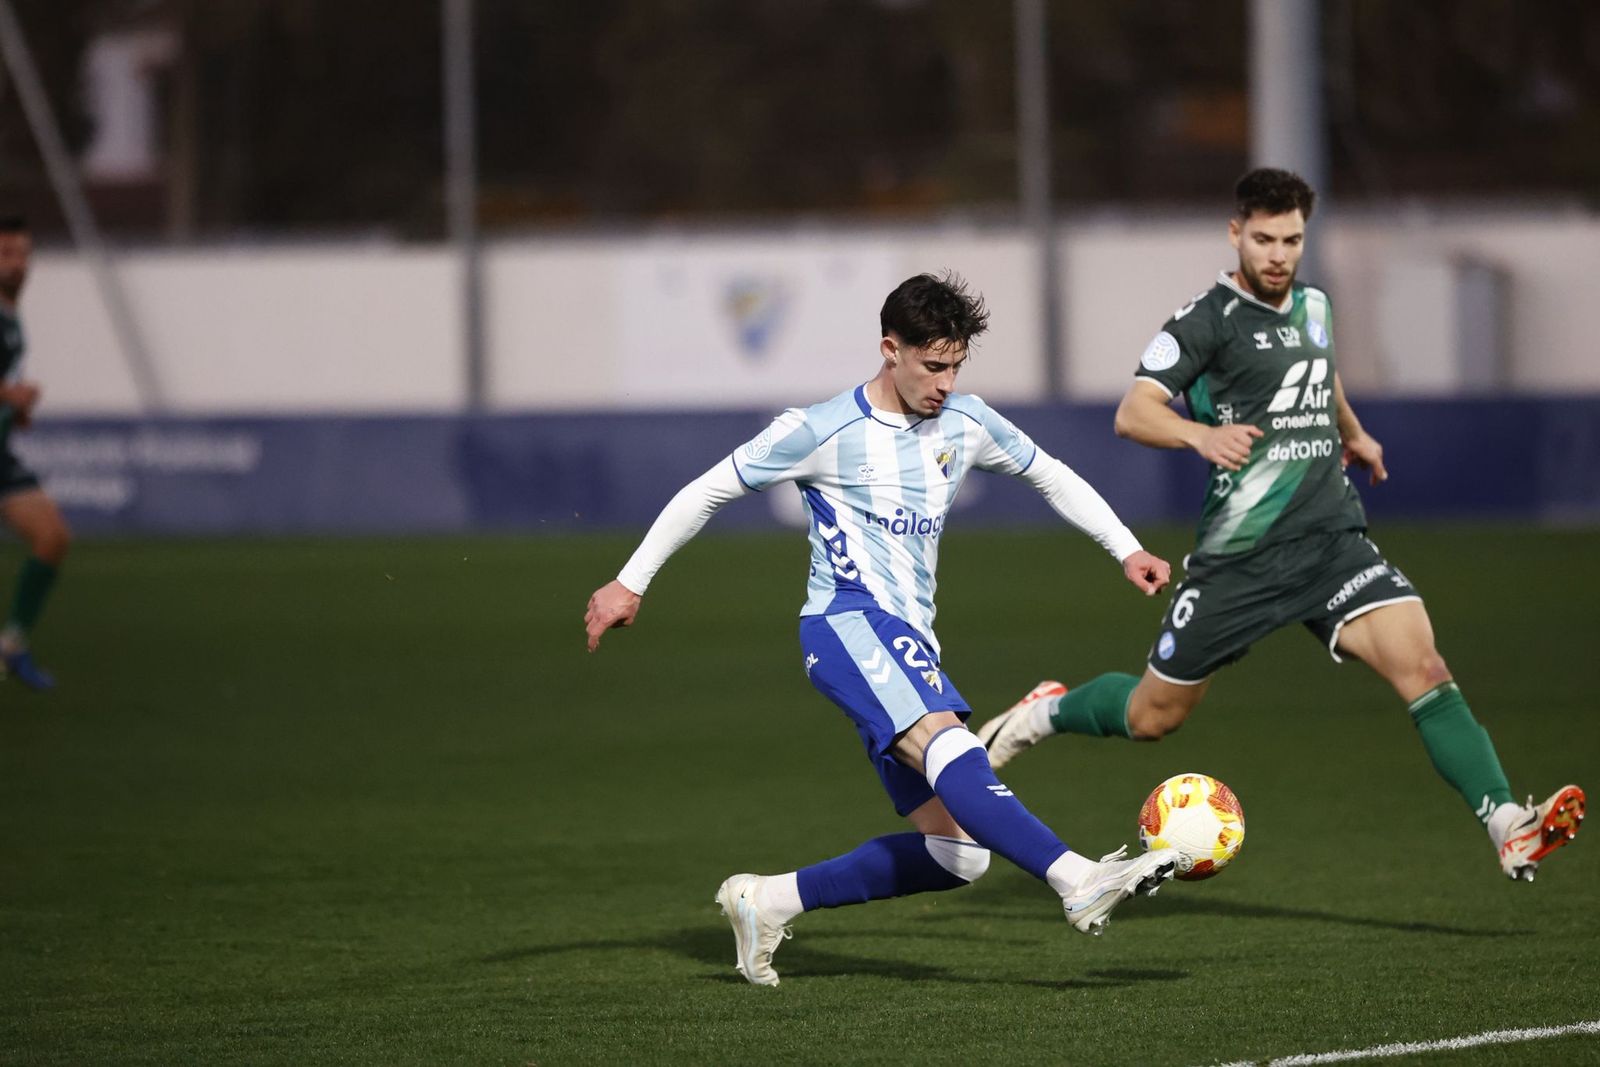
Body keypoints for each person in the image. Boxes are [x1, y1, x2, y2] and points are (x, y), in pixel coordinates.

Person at [976, 169, 1584, 882]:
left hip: (1332, 542)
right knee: (1152, 716)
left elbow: (1322, 378)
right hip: (1241, 559)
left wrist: (1353, 433)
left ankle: (1507, 822)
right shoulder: (1206, 319)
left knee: (1425, 667)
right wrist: (1200, 438)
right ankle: (1040, 714)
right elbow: (1132, 411)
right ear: (1236, 233)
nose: (1277, 254)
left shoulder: (1317, 305)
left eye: (1291, 239)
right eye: (1263, 238)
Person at [585, 272, 1183, 986]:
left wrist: (1127, 547)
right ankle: (1076, 877)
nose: (944, 381)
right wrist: (631, 580)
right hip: (845, 625)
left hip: (905, 643)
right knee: (948, 740)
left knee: (959, 854)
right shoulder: (822, 429)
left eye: (956, 365)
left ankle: (767, 899)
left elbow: (1051, 475)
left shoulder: (965, 421)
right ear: (888, 349)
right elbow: (709, 488)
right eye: (932, 365)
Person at [0, 216, 69, 690]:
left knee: (52, 537)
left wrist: (16, 410)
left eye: (23, 253)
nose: (17, 262)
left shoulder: (11, 312)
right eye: (6, 252)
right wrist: (9, 397)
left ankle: (11, 646)